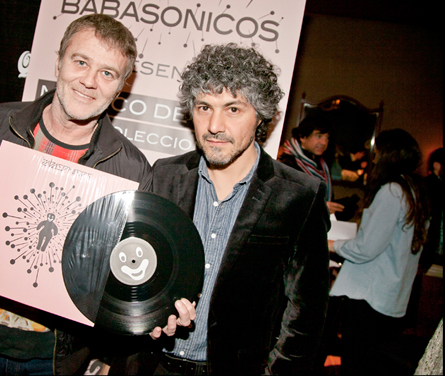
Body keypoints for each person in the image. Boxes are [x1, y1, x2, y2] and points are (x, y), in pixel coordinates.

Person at [0, 14, 192, 375]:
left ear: (121, 87)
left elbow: (128, 275)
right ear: (58, 63)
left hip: (55, 360)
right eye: (81, 62)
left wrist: (153, 306)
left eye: (107, 73)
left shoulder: (132, 169)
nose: (89, 81)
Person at [110, 43, 331, 375]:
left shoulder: (299, 196)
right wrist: (142, 318)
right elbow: (131, 271)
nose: (214, 125)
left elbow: (305, 317)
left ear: (261, 115)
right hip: (150, 365)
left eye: (233, 109)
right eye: (204, 107)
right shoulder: (165, 175)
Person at [328, 129, 430, 375]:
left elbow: (367, 249)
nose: (373, 157)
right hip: (391, 295)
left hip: (370, 296)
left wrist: (331, 245)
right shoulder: (415, 190)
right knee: (369, 363)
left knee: (354, 363)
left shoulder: (392, 191)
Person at [278, 114, 345, 215]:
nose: (324, 142)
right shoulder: (285, 162)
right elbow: (284, 201)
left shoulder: (321, 164)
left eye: (327, 137)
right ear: (303, 137)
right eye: (319, 136)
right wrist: (319, 208)